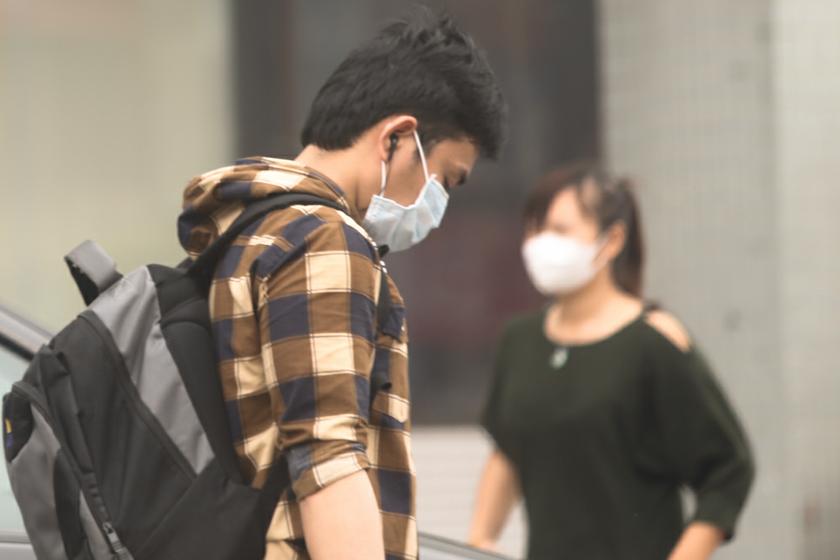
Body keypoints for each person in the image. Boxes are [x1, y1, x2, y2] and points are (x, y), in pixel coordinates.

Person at [176, 11, 506, 560]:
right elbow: (327, 457)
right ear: (398, 137)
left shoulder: (247, 226)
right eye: (445, 179)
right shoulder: (321, 241)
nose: (440, 205)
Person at [469, 163, 754, 560]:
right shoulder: (520, 341)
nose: (538, 243)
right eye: (533, 229)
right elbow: (508, 450)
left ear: (613, 240)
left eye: (559, 229)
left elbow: (729, 471)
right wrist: (479, 542)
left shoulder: (654, 341)